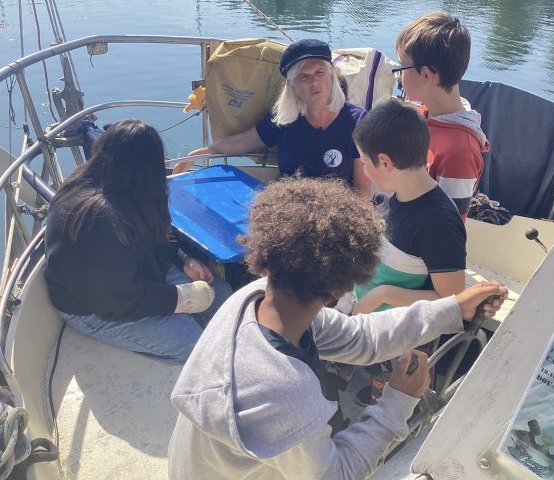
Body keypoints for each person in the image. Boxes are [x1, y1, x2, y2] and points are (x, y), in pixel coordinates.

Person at [168, 177, 507, 480]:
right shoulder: (284, 390)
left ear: (266, 258)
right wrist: (398, 403)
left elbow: (361, 338)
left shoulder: (253, 298)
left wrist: (453, 308)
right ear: (343, 286)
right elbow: (338, 474)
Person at [44, 119, 231, 364]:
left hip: (135, 277)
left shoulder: (121, 190)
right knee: (196, 348)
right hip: (95, 307)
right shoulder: (100, 221)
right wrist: (179, 299)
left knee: (222, 297)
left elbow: (156, 234)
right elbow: (117, 302)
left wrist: (183, 259)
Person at [345, 98, 466, 405]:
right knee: (376, 380)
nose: (364, 171)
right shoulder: (390, 198)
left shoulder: (439, 224)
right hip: (373, 323)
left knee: (393, 401)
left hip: (402, 339)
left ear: (385, 162)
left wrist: (382, 294)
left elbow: (452, 302)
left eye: (365, 162)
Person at [174, 39, 370, 198]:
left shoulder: (357, 122)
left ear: (331, 76)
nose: (314, 82)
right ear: (292, 87)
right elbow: (243, 142)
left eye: (320, 72)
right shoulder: (284, 119)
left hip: (338, 212)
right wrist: (197, 154)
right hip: (288, 207)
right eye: (304, 77)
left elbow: (362, 190)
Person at [395, 12, 490, 220]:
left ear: (426, 75)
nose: (399, 77)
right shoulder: (423, 114)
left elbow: (448, 229)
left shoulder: (460, 152)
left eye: (401, 67)